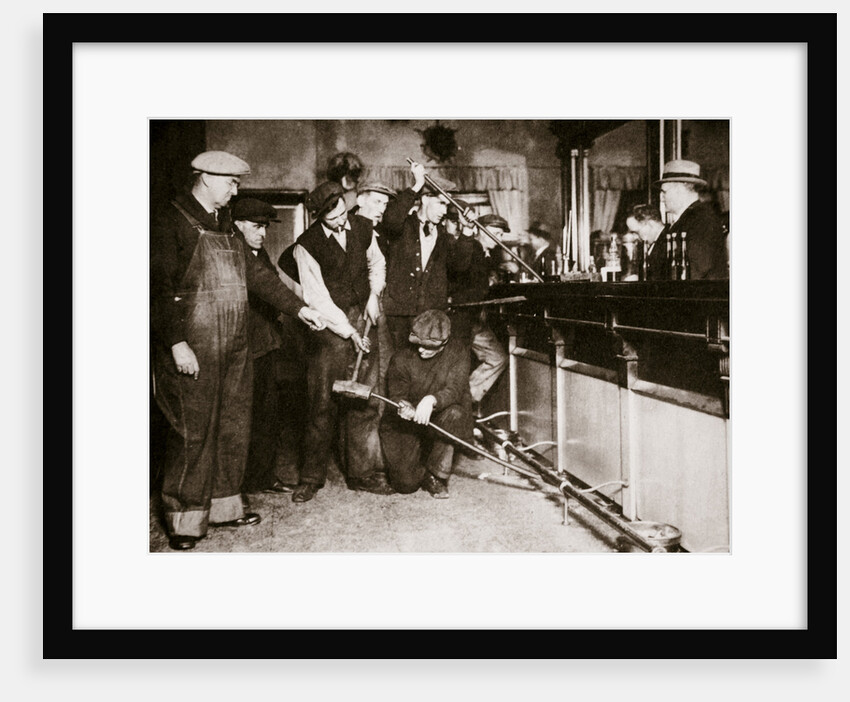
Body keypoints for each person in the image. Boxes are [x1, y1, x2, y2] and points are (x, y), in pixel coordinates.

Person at [150, 151, 326, 551]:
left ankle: (225, 507)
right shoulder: (172, 221)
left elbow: (261, 278)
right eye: (231, 183)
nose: (235, 190)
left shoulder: (226, 227)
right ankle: (184, 518)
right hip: (193, 346)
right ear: (206, 178)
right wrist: (176, 342)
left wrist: (301, 309)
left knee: (233, 426)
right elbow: (157, 290)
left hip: (235, 346)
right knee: (192, 432)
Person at [283, 181, 393, 502]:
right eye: (333, 218)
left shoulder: (362, 225)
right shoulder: (306, 245)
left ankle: (360, 474)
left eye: (343, 212)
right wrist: (348, 331)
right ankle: (311, 477)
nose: (342, 220)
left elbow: (377, 263)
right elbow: (317, 297)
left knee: (364, 398)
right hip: (328, 326)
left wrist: (375, 294)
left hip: (363, 314)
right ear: (319, 217)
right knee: (321, 402)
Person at [230, 198, 307, 495]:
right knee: (242, 419)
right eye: (256, 226)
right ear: (237, 225)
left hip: (265, 345)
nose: (262, 233)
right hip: (243, 347)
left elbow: (273, 286)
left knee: (267, 414)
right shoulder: (234, 251)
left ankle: (263, 477)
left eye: (264, 227)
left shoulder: (259, 254)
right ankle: (236, 488)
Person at [380, 160, 474, 352]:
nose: (443, 211)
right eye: (440, 203)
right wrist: (417, 185)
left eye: (447, 206)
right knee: (400, 364)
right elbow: (390, 219)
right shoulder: (403, 227)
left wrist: (467, 232)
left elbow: (459, 267)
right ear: (424, 199)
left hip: (430, 313)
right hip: (399, 313)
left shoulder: (444, 237)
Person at [379, 310, 474, 498]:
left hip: (438, 416)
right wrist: (403, 406)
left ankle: (435, 474)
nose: (421, 350)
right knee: (405, 485)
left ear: (444, 343)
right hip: (406, 424)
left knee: (456, 413)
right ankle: (423, 453)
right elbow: (397, 395)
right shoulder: (401, 358)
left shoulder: (458, 352)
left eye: (428, 347)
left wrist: (432, 400)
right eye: (418, 345)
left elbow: (455, 389)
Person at [445, 202, 508, 413]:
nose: (499, 239)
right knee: (456, 367)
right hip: (461, 318)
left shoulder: (486, 254)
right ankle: (456, 406)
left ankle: (464, 400)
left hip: (474, 319)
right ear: (480, 230)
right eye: (495, 233)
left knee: (497, 358)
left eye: (501, 234)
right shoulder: (469, 247)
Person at [656, 159, 728, 279]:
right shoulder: (689, 218)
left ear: (680, 189)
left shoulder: (703, 219)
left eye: (664, 192)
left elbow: (696, 271)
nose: (662, 199)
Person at [625, 204, 666, 280]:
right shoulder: (652, 243)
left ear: (650, 223)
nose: (635, 237)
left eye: (636, 232)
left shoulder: (669, 242)